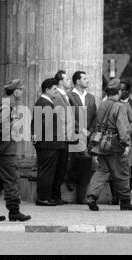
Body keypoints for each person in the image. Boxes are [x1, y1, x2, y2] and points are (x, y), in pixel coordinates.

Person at [0, 79, 31, 222]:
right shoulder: (8, 107)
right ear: (15, 91)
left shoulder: (7, 106)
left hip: (0, 151)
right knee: (12, 181)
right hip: (5, 151)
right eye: (20, 89)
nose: (21, 91)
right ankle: (14, 211)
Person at [86, 78, 132, 212]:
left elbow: (97, 124)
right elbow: (122, 128)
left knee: (102, 171)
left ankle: (91, 196)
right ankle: (125, 201)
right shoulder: (120, 106)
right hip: (115, 143)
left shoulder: (102, 104)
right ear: (119, 91)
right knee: (122, 172)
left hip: (102, 143)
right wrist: (127, 144)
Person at [32, 78, 67, 206]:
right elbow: (42, 126)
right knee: (47, 171)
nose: (56, 92)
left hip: (51, 143)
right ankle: (43, 197)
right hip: (48, 143)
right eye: (54, 89)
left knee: (51, 171)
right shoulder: (44, 103)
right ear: (47, 90)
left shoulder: (46, 103)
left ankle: (49, 196)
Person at [66, 71, 97, 204]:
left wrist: (90, 131)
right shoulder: (69, 96)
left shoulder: (91, 97)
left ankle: (81, 197)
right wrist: (82, 130)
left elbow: (95, 116)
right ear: (77, 81)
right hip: (74, 135)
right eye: (84, 78)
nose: (87, 81)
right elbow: (69, 116)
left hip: (88, 136)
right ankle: (69, 178)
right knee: (73, 162)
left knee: (86, 166)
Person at [51, 70, 74, 203]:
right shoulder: (57, 96)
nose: (69, 82)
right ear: (60, 81)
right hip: (60, 137)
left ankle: (56, 195)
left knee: (62, 167)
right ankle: (55, 195)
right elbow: (59, 117)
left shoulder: (64, 96)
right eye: (67, 79)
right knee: (58, 167)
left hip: (65, 136)